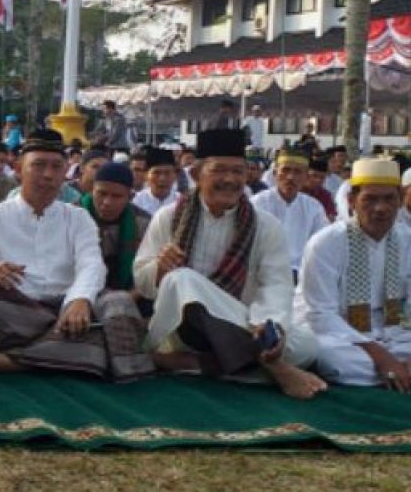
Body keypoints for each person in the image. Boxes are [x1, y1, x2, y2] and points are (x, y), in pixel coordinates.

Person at [132, 128, 325, 399]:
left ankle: (200, 364)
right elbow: (142, 282)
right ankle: (269, 366)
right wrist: (159, 268)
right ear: (197, 174)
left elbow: (276, 285)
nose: (230, 179)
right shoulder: (169, 217)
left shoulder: (265, 225)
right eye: (220, 170)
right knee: (181, 279)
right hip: (182, 331)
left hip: (243, 321)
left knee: (308, 347)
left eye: (238, 171)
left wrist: (268, 325)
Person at [0, 129, 152, 381]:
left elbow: (91, 265)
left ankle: (19, 360)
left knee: (119, 303)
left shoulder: (78, 217)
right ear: (18, 168)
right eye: (38, 165)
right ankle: (86, 353)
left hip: (69, 312)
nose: (48, 175)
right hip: (17, 313)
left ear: (65, 173)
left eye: (56, 167)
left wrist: (79, 299)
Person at [296, 158, 411, 390]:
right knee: (330, 356)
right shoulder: (326, 242)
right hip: (337, 329)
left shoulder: (407, 238)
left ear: (400, 201)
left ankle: (395, 372)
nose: (381, 208)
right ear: (352, 201)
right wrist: (379, 355)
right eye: (370, 199)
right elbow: (320, 314)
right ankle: (394, 372)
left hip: (393, 328)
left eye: (389, 199)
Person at [251, 150, 330, 280]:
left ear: (305, 176)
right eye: (286, 170)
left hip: (302, 275)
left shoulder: (313, 207)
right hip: (262, 274)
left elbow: (322, 245)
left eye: (297, 172)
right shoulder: (258, 203)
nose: (290, 177)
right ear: (275, 173)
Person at [81, 161, 152, 303]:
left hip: (129, 294)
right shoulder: (73, 216)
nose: (107, 202)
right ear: (92, 190)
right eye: (102, 193)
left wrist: (131, 295)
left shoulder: (144, 223)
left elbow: (151, 270)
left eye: (117, 196)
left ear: (129, 197)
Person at [132, 146, 179, 216]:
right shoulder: (137, 202)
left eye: (167, 173)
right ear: (146, 175)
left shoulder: (182, 202)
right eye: (156, 172)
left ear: (175, 176)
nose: (162, 178)